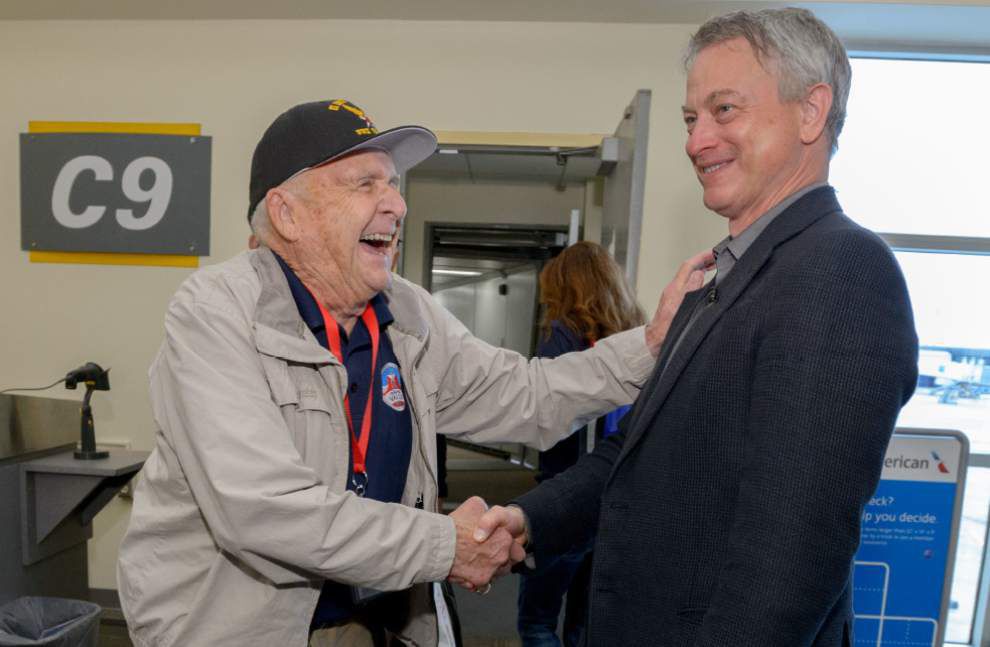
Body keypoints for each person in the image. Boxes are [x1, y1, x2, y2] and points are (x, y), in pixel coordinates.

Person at [116, 99, 701, 647]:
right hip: (248, 628)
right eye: (364, 183)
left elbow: (528, 393)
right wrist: (448, 546)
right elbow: (264, 509)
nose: (395, 204)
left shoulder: (409, 313)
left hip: (380, 616)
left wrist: (650, 346)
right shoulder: (216, 313)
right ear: (287, 213)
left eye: (392, 184)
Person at [476, 8, 919, 646]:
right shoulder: (720, 276)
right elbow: (634, 459)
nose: (696, 140)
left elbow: (789, 558)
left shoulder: (840, 272)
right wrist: (525, 519)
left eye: (724, 110)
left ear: (810, 112)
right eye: (691, 118)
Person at [516, 242, 644, 647]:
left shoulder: (561, 335)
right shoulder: (637, 335)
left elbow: (544, 413)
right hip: (614, 500)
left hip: (564, 498)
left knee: (537, 623)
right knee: (583, 628)